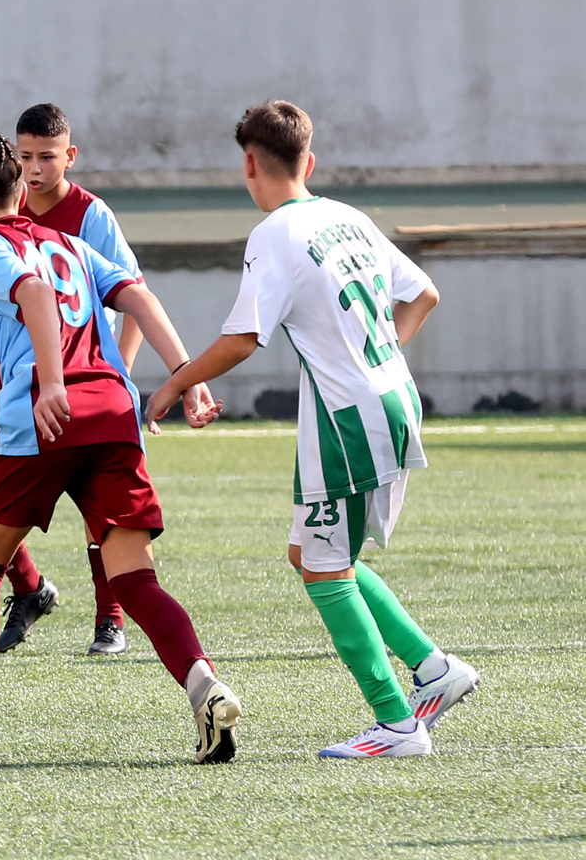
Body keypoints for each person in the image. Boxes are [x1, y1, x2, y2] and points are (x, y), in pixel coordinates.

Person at [145, 101, 479, 759]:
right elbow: (423, 294)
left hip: (344, 419)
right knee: (313, 556)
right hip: (390, 396)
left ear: (248, 164)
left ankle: (396, 723)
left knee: (326, 571)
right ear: (310, 160)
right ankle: (434, 669)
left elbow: (243, 338)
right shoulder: (348, 217)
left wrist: (174, 383)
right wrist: (376, 361)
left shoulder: (274, 233)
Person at [0, 132, 242, 764]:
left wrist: (53, 382)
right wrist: (186, 376)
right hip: (113, 415)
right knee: (136, 578)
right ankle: (206, 686)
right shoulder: (68, 243)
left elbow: (33, 295)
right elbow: (138, 295)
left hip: (44, 419)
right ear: (21, 190)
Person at [0, 103, 149, 657]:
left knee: (95, 495)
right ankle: (30, 585)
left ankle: (109, 616)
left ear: (70, 156)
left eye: (47, 156)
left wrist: (121, 374)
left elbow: (135, 292)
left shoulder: (91, 215)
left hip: (79, 367)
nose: (35, 168)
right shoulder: (4, 204)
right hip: (18, 364)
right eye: (26, 157)